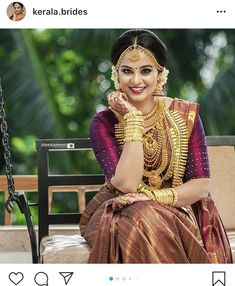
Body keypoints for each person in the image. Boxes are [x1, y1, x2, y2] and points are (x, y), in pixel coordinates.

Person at [80, 29, 232, 263]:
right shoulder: (104, 123)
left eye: (146, 71)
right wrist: (132, 120)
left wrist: (152, 197)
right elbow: (127, 185)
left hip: (175, 209)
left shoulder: (185, 115)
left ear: (160, 74)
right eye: (127, 71)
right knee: (140, 215)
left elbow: (200, 186)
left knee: (145, 213)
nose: (136, 80)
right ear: (116, 74)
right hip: (118, 209)